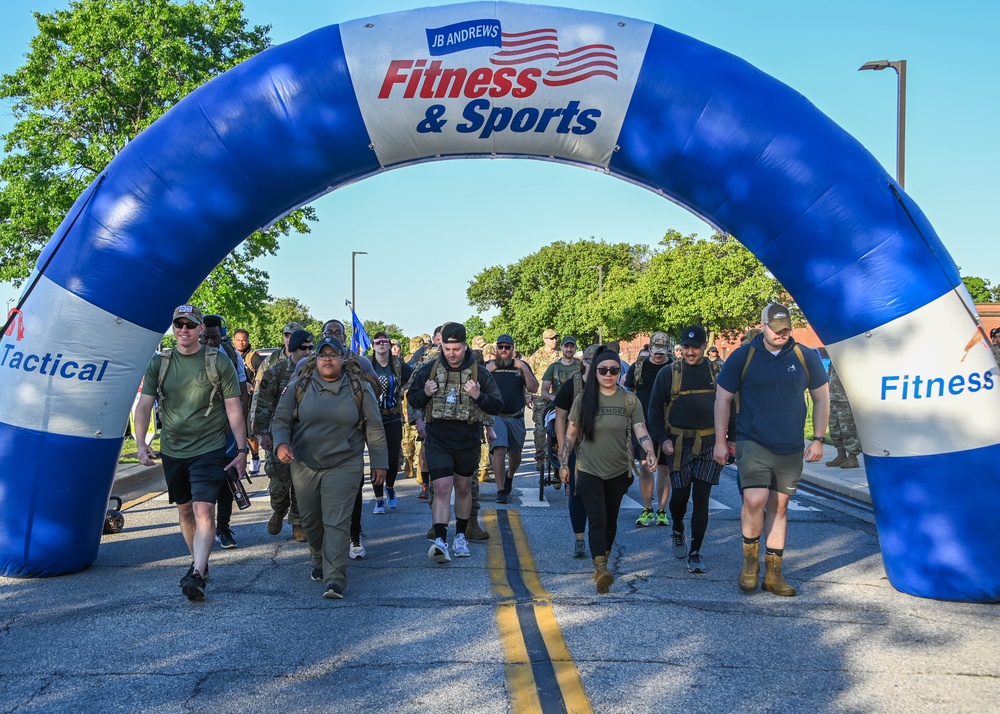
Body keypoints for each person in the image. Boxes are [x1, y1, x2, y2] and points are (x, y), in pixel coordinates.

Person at [713, 303, 830, 597]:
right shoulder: (744, 356)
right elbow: (722, 399)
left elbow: (822, 398)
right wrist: (719, 441)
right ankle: (750, 567)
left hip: (790, 446)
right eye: (776, 330)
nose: (782, 334)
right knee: (754, 500)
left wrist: (818, 438)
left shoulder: (805, 356)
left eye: (786, 329)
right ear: (762, 326)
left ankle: (774, 574)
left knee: (779, 507)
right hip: (753, 441)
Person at [133, 305, 248, 601]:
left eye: (189, 324)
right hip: (173, 450)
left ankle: (196, 573)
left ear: (199, 329)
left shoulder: (218, 361)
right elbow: (144, 404)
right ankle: (200, 561)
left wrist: (243, 449)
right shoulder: (160, 362)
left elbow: (233, 407)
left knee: (203, 509)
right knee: (184, 509)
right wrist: (141, 442)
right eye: (178, 324)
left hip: (209, 448)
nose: (183, 329)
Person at [271, 336, 388, 599]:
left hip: (344, 462)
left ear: (342, 358)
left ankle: (335, 578)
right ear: (315, 358)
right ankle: (317, 559)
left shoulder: (359, 387)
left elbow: (374, 426)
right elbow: (280, 418)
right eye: (322, 355)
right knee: (312, 521)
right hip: (304, 462)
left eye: (333, 355)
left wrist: (380, 463)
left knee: (336, 521)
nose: (327, 359)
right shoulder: (300, 384)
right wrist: (281, 444)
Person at [559, 348, 657, 593]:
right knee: (597, 517)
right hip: (588, 468)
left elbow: (640, 429)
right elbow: (570, 435)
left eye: (614, 370)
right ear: (595, 373)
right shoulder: (584, 400)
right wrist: (563, 463)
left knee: (611, 518)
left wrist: (650, 450)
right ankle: (601, 567)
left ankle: (604, 557)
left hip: (618, 470)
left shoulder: (629, 400)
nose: (608, 374)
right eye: (603, 370)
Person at [407, 322, 503, 563]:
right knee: (441, 488)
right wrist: (425, 393)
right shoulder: (429, 370)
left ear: (464, 346)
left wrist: (478, 395)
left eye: (456, 349)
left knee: (462, 487)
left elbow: (497, 405)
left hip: (467, 437)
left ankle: (460, 535)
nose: (451, 354)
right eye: (447, 349)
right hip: (438, 436)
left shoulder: (481, 373)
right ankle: (440, 539)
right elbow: (413, 400)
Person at [647, 326, 733, 574]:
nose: (690, 351)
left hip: (710, 443)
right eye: (686, 347)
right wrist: (662, 439)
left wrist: (731, 441)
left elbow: (732, 405)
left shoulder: (718, 371)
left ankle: (695, 552)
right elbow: (654, 409)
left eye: (695, 347)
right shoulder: (668, 373)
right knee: (680, 498)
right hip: (678, 445)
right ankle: (677, 527)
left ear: (705, 346)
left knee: (702, 499)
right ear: (681, 347)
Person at [251, 329, 315, 542]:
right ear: (292, 349)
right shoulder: (275, 372)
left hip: (304, 437)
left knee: (301, 484)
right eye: (303, 349)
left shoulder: (315, 373)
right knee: (279, 483)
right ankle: (279, 510)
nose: (307, 352)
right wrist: (262, 434)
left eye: (310, 348)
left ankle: (298, 523)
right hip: (279, 436)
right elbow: (263, 406)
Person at [201, 314, 249, 550]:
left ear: (223, 336)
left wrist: (243, 431)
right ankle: (203, 528)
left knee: (227, 479)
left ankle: (223, 527)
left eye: (215, 338)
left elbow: (242, 394)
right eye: (206, 338)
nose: (210, 343)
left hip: (226, 427)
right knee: (202, 480)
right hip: (198, 430)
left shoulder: (232, 357)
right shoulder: (189, 355)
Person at [553, 343, 600, 557]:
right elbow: (560, 416)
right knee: (576, 491)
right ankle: (580, 538)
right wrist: (563, 448)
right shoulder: (573, 385)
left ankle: (601, 537)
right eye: (592, 361)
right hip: (577, 447)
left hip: (604, 447)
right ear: (585, 363)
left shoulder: (611, 383)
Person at [625, 331, 673, 528]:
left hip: (668, 425)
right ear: (650, 348)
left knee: (664, 469)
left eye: (662, 351)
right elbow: (627, 393)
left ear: (668, 350)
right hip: (642, 424)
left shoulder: (675, 368)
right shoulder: (638, 367)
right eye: (656, 350)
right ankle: (647, 508)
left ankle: (661, 510)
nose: (658, 355)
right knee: (645, 466)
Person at [486, 333, 539, 503]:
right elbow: (475, 387)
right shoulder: (489, 366)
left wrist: (523, 367)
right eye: (500, 347)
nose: (503, 350)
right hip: (496, 416)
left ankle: (510, 475)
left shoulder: (520, 366)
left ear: (512, 349)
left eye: (507, 347)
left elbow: (533, 388)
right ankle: (501, 490)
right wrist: (487, 372)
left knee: (515, 455)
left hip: (516, 416)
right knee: (499, 450)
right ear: (496, 349)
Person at [370, 331, 414, 513]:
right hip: (373, 417)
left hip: (393, 416)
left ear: (389, 345)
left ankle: (390, 487)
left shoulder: (397, 364)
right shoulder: (368, 364)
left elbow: (414, 376)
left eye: (384, 341)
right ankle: (379, 499)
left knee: (393, 459)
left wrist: (402, 389)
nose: (381, 344)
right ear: (373, 346)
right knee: (376, 459)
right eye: (378, 342)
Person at [527, 328, 561, 463]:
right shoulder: (536, 356)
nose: (554, 341)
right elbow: (527, 376)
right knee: (540, 428)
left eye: (556, 338)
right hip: (539, 396)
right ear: (544, 340)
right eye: (551, 338)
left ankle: (554, 455)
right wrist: (527, 395)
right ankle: (540, 458)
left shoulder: (561, 355)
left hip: (557, 395)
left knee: (557, 426)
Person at [233, 328, 263, 474]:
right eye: (238, 339)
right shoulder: (229, 355)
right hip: (233, 399)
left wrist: (254, 387)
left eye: (243, 339)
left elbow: (264, 375)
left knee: (249, 432)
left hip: (250, 400)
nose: (241, 342)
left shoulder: (253, 357)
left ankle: (256, 458)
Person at [825, 363, 862, 469]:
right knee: (834, 428)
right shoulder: (833, 359)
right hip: (833, 398)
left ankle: (852, 458)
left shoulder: (850, 359)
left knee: (848, 430)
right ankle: (841, 455)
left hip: (846, 400)